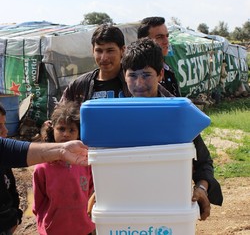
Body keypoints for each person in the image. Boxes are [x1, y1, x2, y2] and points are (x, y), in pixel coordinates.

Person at [121, 37, 223, 221]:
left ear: (160, 74)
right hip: (130, 208)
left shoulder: (179, 114)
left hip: (171, 207)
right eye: (133, 75)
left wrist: (201, 189)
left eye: (146, 75)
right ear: (124, 75)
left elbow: (203, 162)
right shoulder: (113, 116)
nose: (139, 83)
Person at [33, 101, 95, 235]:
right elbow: (38, 203)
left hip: (82, 227)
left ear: (79, 133)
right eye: (61, 129)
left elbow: (89, 191)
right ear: (52, 129)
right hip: (54, 228)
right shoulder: (43, 167)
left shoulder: (85, 162)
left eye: (71, 130)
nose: (66, 134)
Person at [60, 24, 130, 105]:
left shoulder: (134, 82)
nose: (104, 58)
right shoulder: (79, 86)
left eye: (110, 51)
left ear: (122, 50)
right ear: (93, 51)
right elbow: (60, 115)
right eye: (99, 51)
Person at [137, 16, 181, 97]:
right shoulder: (136, 73)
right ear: (143, 41)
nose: (166, 41)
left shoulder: (167, 70)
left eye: (167, 36)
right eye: (159, 37)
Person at [0, 103, 23, 234]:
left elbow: (12, 190)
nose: (6, 131)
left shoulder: (4, 159)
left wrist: (16, 217)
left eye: (4, 124)